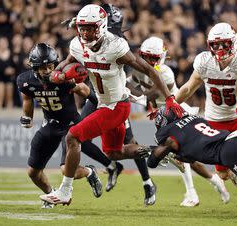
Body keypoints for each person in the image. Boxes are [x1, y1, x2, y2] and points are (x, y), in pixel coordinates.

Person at [40, 4, 183, 205]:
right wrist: (58, 73)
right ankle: (161, 150)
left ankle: (65, 190)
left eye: (90, 28)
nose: (85, 33)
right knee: (114, 152)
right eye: (82, 27)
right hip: (104, 103)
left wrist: (169, 98)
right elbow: (68, 61)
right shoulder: (77, 45)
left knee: (73, 136)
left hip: (117, 106)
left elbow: (151, 71)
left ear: (102, 26)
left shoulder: (115, 46)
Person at [127, 36, 230, 207]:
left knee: (182, 157)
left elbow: (150, 95)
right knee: (185, 157)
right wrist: (126, 86)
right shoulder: (139, 70)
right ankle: (216, 182)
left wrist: (130, 93)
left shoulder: (165, 72)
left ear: (162, 57)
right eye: (147, 57)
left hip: (178, 114)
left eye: (154, 57)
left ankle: (194, 192)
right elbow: (130, 82)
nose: (150, 61)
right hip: (164, 119)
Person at [74, 4, 157, 206]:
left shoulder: (117, 43)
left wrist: (135, 94)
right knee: (78, 136)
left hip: (115, 98)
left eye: (93, 26)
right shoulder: (87, 38)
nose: (89, 31)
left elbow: (127, 77)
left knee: (128, 141)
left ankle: (147, 182)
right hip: (95, 97)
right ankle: (111, 166)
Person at [174, 23, 237, 189]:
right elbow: (188, 88)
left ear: (233, 42)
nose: (219, 48)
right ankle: (232, 171)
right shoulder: (205, 62)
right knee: (222, 174)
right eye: (215, 44)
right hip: (215, 121)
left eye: (224, 43)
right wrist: (171, 104)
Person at [16, 43, 103, 209]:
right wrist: (27, 116)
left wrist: (102, 106)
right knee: (33, 172)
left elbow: (84, 90)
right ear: (34, 67)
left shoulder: (63, 78)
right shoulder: (25, 80)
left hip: (71, 126)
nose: (48, 70)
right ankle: (51, 193)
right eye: (43, 67)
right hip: (50, 124)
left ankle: (90, 172)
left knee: (65, 170)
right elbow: (28, 98)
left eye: (50, 66)